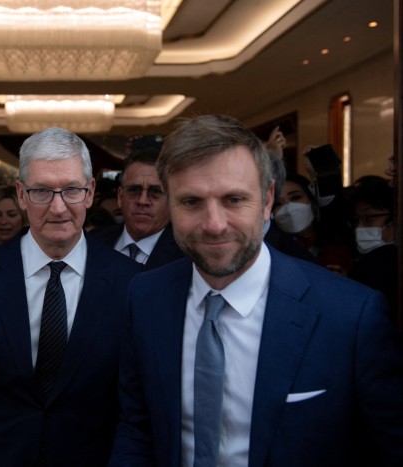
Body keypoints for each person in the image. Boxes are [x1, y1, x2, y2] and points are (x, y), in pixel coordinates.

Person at [110, 114, 403, 466]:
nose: (214, 224)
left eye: (234, 200)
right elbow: (137, 426)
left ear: (267, 201)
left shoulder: (350, 316)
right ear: (170, 204)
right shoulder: (145, 297)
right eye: (191, 202)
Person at [0, 127, 141, 466]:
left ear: (90, 193)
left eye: (71, 190)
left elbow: (134, 406)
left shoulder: (130, 283)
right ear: (21, 195)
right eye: (41, 191)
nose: (57, 208)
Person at [92, 149, 184, 270]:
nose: (142, 201)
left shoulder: (187, 253)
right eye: (134, 190)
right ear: (120, 197)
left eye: (155, 191)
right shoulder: (93, 242)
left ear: (171, 200)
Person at [349, 175, 398, 320]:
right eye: (357, 220)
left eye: (369, 218)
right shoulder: (363, 264)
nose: (360, 227)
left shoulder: (381, 263)